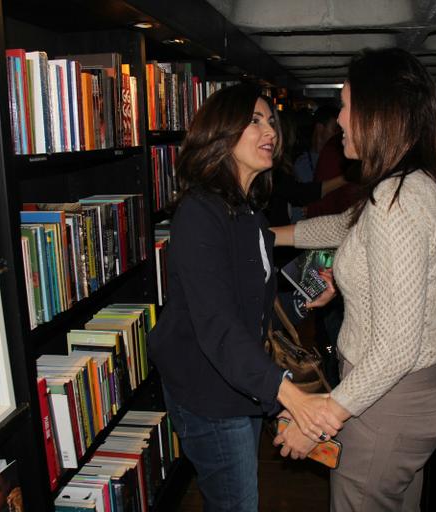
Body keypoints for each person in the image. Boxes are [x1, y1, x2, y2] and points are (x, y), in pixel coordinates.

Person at [271, 47, 436, 511]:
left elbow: (395, 347)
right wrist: (271, 236)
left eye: (346, 106)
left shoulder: (395, 203)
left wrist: (318, 420)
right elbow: (344, 228)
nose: (339, 120)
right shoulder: (412, 183)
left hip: (388, 404)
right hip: (419, 395)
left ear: (380, 115)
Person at [147, 84, 343, 512]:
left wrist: (307, 300)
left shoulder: (250, 211)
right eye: (254, 121)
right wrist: (291, 397)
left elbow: (257, 311)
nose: (269, 129)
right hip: (210, 395)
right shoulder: (200, 213)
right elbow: (218, 327)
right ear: (221, 133)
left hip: (242, 385)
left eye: (271, 120)